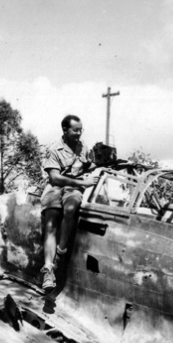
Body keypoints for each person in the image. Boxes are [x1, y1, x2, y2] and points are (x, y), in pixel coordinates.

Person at [40, 115, 99, 290]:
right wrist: (83, 183)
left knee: (71, 207)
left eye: (81, 129)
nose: (79, 133)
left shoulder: (84, 147)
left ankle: (60, 252)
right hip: (56, 187)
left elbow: (89, 165)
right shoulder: (54, 150)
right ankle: (49, 270)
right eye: (75, 130)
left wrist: (92, 166)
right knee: (51, 220)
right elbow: (55, 178)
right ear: (65, 130)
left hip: (73, 190)